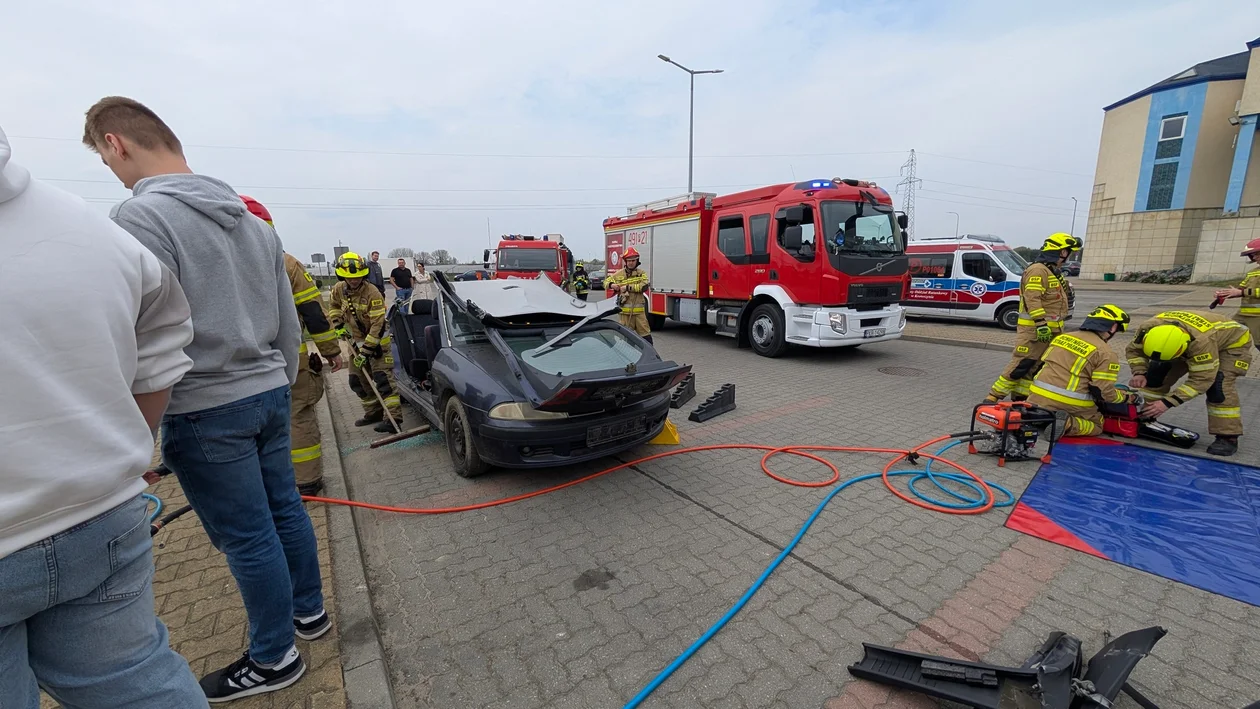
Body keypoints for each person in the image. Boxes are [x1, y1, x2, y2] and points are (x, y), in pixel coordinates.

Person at [84, 96, 327, 701]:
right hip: (269, 389)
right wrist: (280, 376)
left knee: (248, 536)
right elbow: (286, 320)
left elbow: (139, 334)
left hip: (204, 406)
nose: (114, 174)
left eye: (107, 160)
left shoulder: (140, 221)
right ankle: (310, 614)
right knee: (284, 510)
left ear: (116, 143)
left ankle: (275, 658)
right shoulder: (250, 221)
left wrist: (133, 433)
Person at [0, 125, 207, 708]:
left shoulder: (127, 220)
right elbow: (164, 345)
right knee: (136, 683)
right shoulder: (87, 226)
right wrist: (124, 449)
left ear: (114, 143)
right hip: (103, 515)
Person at [241, 196, 344, 496]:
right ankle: (307, 481)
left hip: (232, 369)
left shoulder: (210, 263)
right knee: (297, 416)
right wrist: (331, 352)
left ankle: (257, 487)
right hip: (287, 360)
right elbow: (313, 311)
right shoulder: (286, 264)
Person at [1125, 309, 1254, 457]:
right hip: (1193, 338)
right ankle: (1144, 416)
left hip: (1232, 344)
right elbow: (1134, 351)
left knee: (1218, 386)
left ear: (1183, 348)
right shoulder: (1146, 328)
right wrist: (1140, 372)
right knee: (1156, 373)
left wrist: (1167, 403)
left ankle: (1227, 437)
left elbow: (1202, 379)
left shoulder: (1201, 344)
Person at [986, 233, 1080, 402]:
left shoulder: (1051, 271)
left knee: (1035, 366)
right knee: (1022, 363)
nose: (1068, 257)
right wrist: (1041, 323)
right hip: (1035, 330)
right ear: (1061, 252)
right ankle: (993, 397)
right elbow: (1032, 298)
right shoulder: (1038, 270)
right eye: (1068, 252)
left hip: (1049, 330)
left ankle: (1020, 398)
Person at [1027, 305, 1136, 438]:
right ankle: (1068, 423)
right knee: (1097, 425)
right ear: (1113, 327)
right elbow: (1104, 392)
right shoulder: (1106, 353)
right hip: (1071, 402)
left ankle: (1045, 418)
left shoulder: (1062, 338)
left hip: (1037, 396)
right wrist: (1127, 397)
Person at [329, 252, 403, 433]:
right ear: (342, 276)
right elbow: (334, 307)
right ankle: (373, 413)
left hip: (377, 344)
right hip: (355, 343)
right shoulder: (339, 289)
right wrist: (338, 324)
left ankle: (393, 420)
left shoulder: (373, 293)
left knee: (383, 381)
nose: (354, 281)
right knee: (357, 381)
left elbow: (377, 326)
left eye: (358, 277)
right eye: (350, 278)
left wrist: (365, 352)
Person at [1213, 237, 1260, 346]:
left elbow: (1242, 292)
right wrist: (1226, 293)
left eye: (1257, 254)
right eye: (1252, 255)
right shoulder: (1252, 272)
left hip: (1258, 317)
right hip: (1243, 315)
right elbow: (1241, 289)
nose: (1254, 257)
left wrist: (1241, 293)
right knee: (1228, 334)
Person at [607, 247, 652, 342]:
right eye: (629, 260)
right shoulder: (619, 274)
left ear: (637, 261)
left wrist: (627, 287)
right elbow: (606, 282)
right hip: (625, 315)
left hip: (640, 315)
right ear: (625, 261)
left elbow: (644, 286)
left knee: (647, 338)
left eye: (633, 260)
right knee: (625, 340)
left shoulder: (641, 274)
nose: (631, 262)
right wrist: (612, 285)